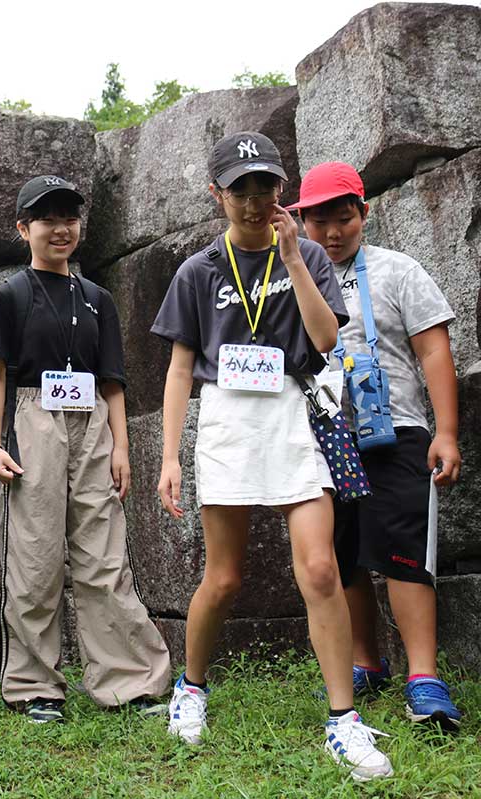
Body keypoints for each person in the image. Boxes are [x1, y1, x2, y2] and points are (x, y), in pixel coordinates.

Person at [151, 132, 392, 781]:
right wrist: (170, 455)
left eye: (266, 186)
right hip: (227, 416)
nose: (255, 201)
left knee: (318, 568)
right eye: (240, 189)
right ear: (217, 194)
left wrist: (291, 259)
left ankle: (343, 721)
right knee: (224, 578)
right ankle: (191, 687)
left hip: (293, 411)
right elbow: (178, 369)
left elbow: (324, 337)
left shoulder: (306, 252)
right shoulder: (199, 270)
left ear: (282, 191)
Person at [0, 175, 172, 723]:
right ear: (24, 229)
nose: (61, 229)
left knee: (105, 557)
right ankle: (34, 686)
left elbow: (113, 382)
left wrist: (122, 448)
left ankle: (129, 682)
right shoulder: (9, 295)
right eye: (47, 219)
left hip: (93, 423)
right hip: (33, 420)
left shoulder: (98, 300)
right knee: (35, 558)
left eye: (69, 218)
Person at [290, 161, 463, 731]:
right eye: (321, 222)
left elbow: (434, 350)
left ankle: (424, 677)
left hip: (400, 430)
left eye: (344, 218)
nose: (334, 232)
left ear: (366, 212)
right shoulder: (294, 277)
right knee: (344, 556)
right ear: (301, 223)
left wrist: (446, 431)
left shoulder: (399, 271)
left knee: (405, 553)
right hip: (325, 434)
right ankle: (366, 661)